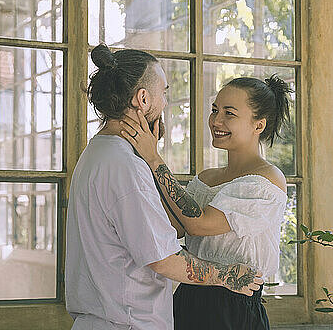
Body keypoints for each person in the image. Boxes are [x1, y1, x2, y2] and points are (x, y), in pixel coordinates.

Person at [65, 44, 264, 330]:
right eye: (164, 92)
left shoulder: (99, 153)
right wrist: (227, 275)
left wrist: (151, 159)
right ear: (143, 99)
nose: (165, 102)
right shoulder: (125, 167)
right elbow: (163, 260)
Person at [120, 75, 291, 330]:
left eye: (229, 113)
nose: (216, 121)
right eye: (214, 110)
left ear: (259, 125)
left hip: (234, 308)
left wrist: (154, 159)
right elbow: (176, 226)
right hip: (188, 298)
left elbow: (199, 224)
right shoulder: (206, 178)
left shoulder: (267, 180)